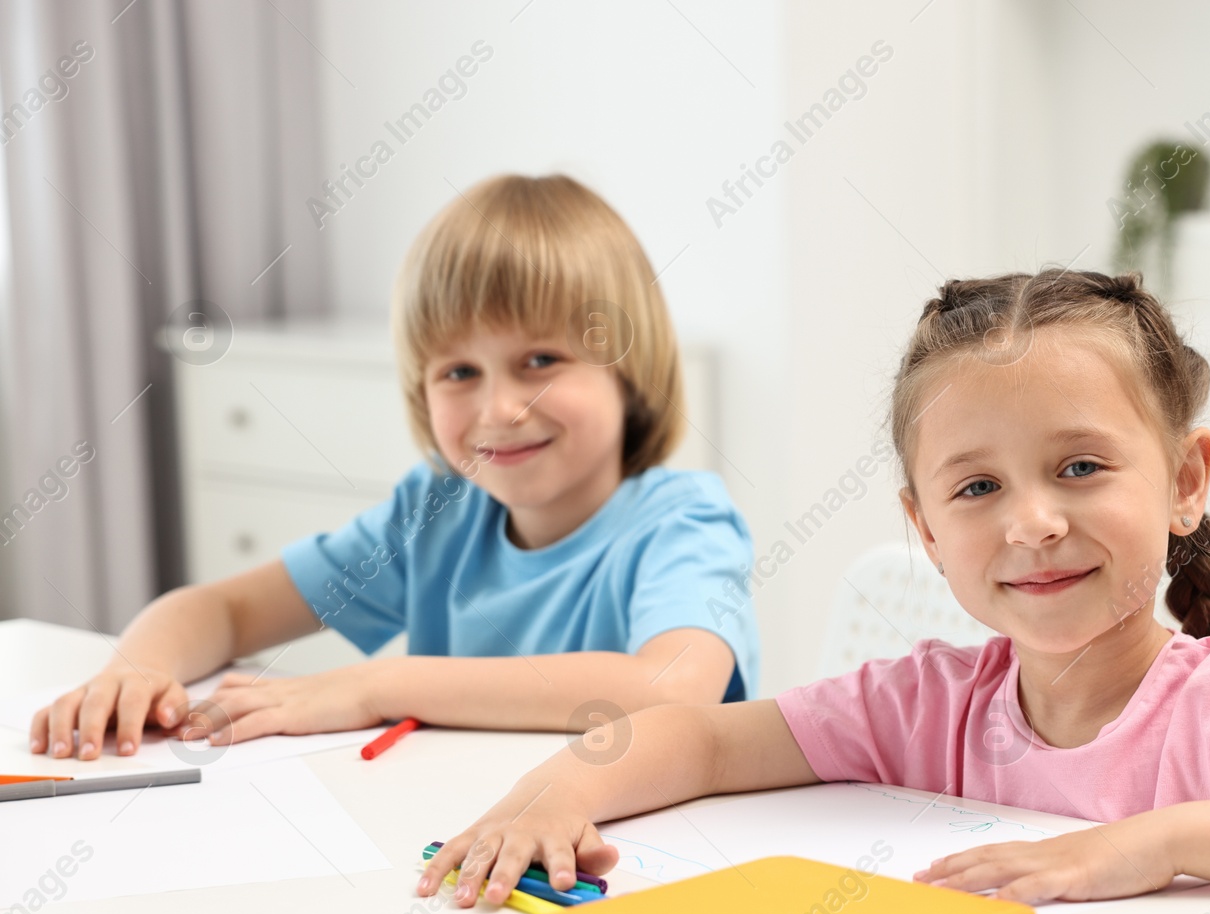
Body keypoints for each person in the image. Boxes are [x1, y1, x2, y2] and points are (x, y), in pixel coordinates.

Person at [418, 268, 1210, 908]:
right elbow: (702, 740)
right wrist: (563, 790)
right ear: (924, 527)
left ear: (1185, 480)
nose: (1031, 521)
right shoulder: (926, 700)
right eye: (978, 485)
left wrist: (1150, 840)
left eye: (1080, 467)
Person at [33, 174, 758, 759]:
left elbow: (671, 689)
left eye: (541, 360)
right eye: (459, 371)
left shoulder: (684, 520)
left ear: (628, 368)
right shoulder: (435, 513)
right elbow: (224, 610)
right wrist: (135, 669)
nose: (499, 407)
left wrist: (379, 684)